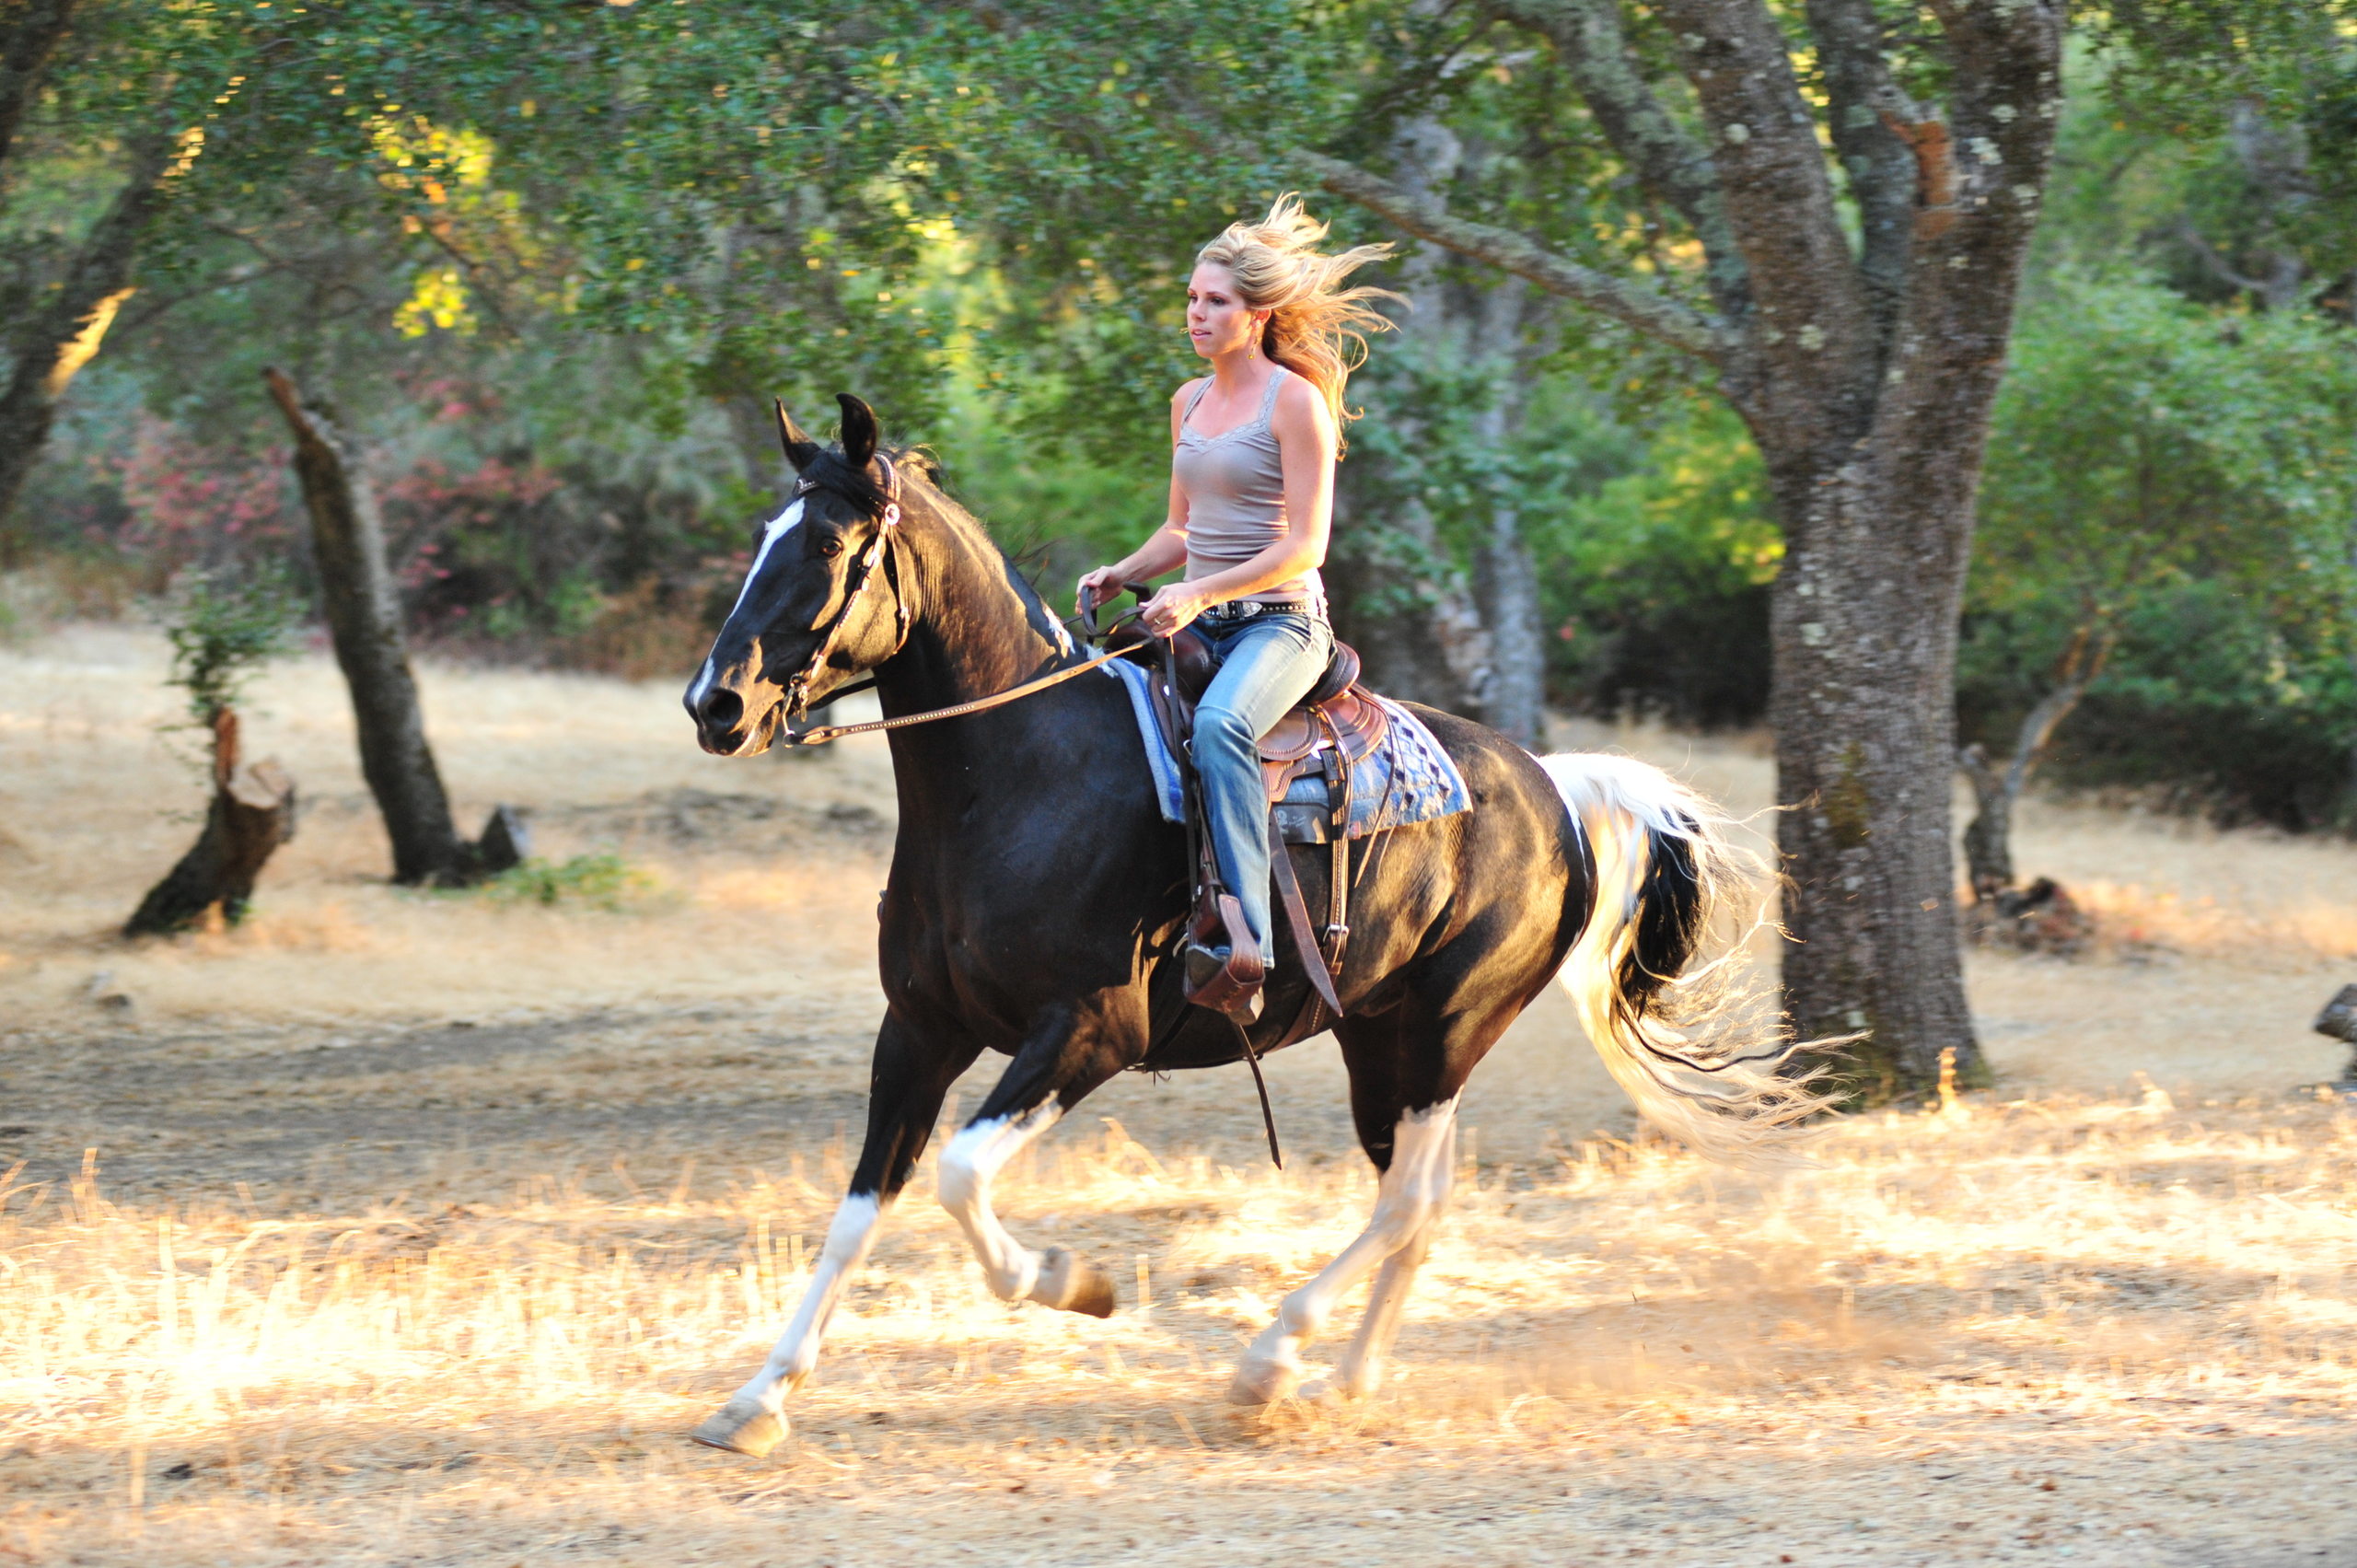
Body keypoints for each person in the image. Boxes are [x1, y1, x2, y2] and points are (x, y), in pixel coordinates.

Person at [1077, 195, 1398, 1017]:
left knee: (1220, 725)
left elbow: (1305, 548)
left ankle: (1244, 941)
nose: (1196, 312)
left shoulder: (1295, 403)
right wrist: (1125, 569)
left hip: (1282, 623)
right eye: (1191, 298)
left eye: (1215, 301)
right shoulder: (1187, 400)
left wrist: (1198, 593)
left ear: (1256, 316)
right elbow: (1183, 528)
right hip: (1200, 613)